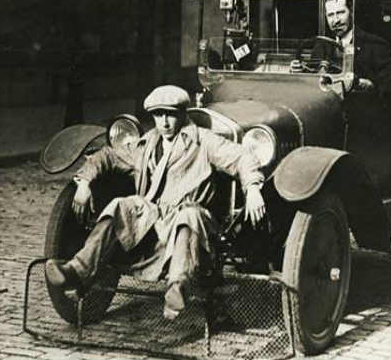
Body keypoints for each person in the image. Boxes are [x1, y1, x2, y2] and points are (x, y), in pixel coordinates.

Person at [45, 85, 266, 320]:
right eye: (158, 115)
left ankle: (177, 288)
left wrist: (252, 188)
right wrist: (84, 182)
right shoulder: (147, 143)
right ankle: (76, 270)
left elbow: (242, 156)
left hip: (191, 218)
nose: (165, 122)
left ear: (183, 114)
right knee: (121, 205)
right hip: (152, 217)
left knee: (188, 215)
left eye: (170, 114)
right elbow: (107, 155)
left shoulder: (203, 141)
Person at [325, 0, 391, 92]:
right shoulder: (322, 45)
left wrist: (370, 84)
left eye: (341, 13)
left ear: (351, 12)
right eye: (330, 15)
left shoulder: (375, 45)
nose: (336, 20)